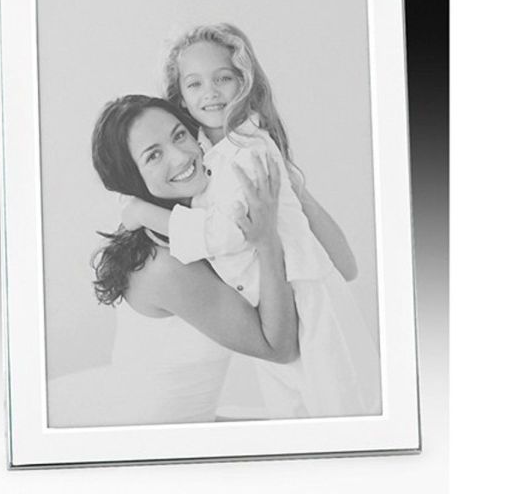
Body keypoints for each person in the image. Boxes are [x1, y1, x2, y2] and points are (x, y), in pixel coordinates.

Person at [122, 23, 381, 418]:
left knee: (339, 407)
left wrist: (146, 214)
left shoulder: (249, 150)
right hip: (270, 304)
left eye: (223, 78)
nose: (210, 92)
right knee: (290, 413)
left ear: (243, 82)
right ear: (181, 99)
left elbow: (229, 234)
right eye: (195, 84)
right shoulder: (210, 156)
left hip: (305, 297)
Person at [90, 94, 298, 425]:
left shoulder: (201, 223)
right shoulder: (164, 265)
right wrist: (267, 241)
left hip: (193, 424)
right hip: (156, 439)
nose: (181, 155)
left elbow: (345, 267)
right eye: (154, 155)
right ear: (132, 179)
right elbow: (280, 347)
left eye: (179, 135)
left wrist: (288, 184)